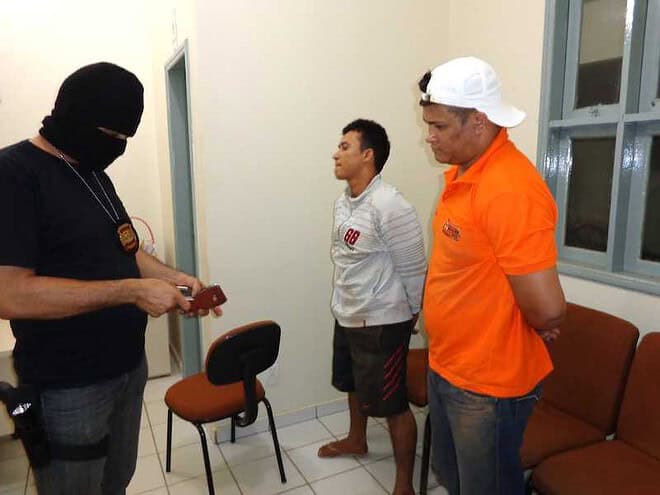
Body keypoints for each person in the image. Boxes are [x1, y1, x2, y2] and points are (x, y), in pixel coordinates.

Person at [0, 62, 222, 495]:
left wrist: (177, 279)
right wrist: (132, 291)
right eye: (112, 134)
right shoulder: (15, 174)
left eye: (126, 138)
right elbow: (10, 293)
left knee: (116, 482)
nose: (118, 147)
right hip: (68, 385)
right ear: (76, 116)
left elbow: (127, 251)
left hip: (128, 366)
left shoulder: (94, 173)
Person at [418, 56, 566, 495]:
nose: (429, 136)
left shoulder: (509, 188)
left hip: (488, 385)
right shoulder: (464, 175)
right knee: (455, 480)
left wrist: (540, 320)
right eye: (428, 124)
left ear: (479, 121)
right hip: (448, 365)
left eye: (439, 126)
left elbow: (547, 309)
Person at [318, 119, 427, 495]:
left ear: (368, 155)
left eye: (344, 146)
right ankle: (356, 439)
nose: (336, 153)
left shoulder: (391, 205)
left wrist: (412, 313)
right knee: (352, 383)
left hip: (383, 322)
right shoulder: (343, 203)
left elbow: (414, 268)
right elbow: (345, 258)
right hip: (347, 313)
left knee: (393, 404)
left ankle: (404, 484)